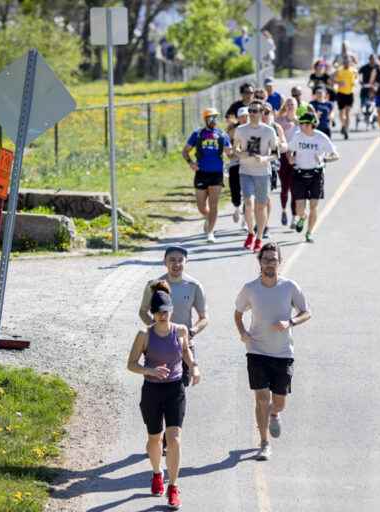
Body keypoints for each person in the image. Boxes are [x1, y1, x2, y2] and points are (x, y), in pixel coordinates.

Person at [234, 242, 311, 461]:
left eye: (273, 259)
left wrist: (291, 322)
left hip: (283, 353)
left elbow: (306, 312)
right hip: (256, 350)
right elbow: (238, 313)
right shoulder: (250, 288)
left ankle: (275, 414)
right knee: (261, 399)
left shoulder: (290, 287)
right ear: (259, 262)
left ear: (280, 261)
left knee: (278, 401)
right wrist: (243, 333)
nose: (269, 263)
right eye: (265, 259)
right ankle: (264, 443)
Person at [128, 280, 201, 510]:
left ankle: (173, 487)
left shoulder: (180, 331)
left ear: (171, 311)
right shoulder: (144, 334)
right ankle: (157, 472)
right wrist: (148, 370)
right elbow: (131, 364)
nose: (162, 316)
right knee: (154, 439)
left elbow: (187, 354)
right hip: (152, 390)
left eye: (166, 312)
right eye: (158, 312)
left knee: (174, 438)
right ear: (152, 313)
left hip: (174, 389)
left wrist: (195, 367)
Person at [233, 100, 279, 252]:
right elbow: (235, 150)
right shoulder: (240, 130)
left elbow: (275, 153)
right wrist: (242, 154)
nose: (252, 114)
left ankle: (259, 237)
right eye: (250, 111)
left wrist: (265, 159)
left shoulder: (269, 131)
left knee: (261, 207)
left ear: (261, 113)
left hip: (263, 173)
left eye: (255, 111)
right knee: (248, 203)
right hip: (246, 171)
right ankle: (250, 233)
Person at [287, 111, 339, 243]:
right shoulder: (298, 136)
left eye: (303, 124)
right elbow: (289, 150)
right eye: (300, 123)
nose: (300, 126)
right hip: (299, 174)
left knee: (314, 206)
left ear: (310, 125)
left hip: (316, 174)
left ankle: (309, 233)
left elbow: (335, 155)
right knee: (299, 209)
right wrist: (290, 158)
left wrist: (323, 159)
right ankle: (302, 218)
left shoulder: (321, 137)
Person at [182, 108, 232, 243]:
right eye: (210, 118)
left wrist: (237, 151)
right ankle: (207, 217)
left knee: (214, 204)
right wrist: (190, 163)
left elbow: (229, 153)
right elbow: (185, 151)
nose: (213, 120)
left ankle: (210, 232)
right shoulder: (197, 134)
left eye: (215, 117)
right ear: (205, 119)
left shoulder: (222, 135)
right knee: (201, 207)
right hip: (201, 173)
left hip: (217, 173)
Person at [261, 102, 288, 239]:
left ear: (271, 113)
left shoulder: (276, 127)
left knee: (265, 197)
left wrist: (277, 144)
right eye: (261, 112)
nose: (263, 115)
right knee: (253, 199)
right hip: (252, 166)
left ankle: (264, 225)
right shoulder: (254, 127)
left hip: (270, 166)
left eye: (267, 112)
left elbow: (285, 146)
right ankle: (259, 222)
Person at [275, 97, 299, 228]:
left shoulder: (300, 122)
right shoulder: (279, 121)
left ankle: (294, 218)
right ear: (285, 106)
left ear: (296, 106)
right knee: (285, 187)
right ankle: (284, 211)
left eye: (292, 104)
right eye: (288, 104)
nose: (290, 106)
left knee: (295, 188)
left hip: (296, 157)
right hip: (283, 156)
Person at [226, 107, 249, 227]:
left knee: (248, 192)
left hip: (248, 164)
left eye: (246, 116)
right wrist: (230, 153)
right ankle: (236, 208)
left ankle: (245, 218)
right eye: (241, 116)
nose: (244, 118)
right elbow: (228, 147)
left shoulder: (252, 128)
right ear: (238, 118)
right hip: (235, 163)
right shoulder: (232, 130)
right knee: (235, 190)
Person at [334, 56, 357, 140]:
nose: (347, 64)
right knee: (341, 113)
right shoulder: (339, 70)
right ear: (343, 63)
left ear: (350, 63)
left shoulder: (352, 71)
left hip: (350, 94)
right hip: (341, 93)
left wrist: (355, 82)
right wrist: (339, 82)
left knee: (347, 113)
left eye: (348, 62)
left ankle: (346, 130)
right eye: (345, 62)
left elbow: (356, 80)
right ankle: (343, 125)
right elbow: (333, 80)